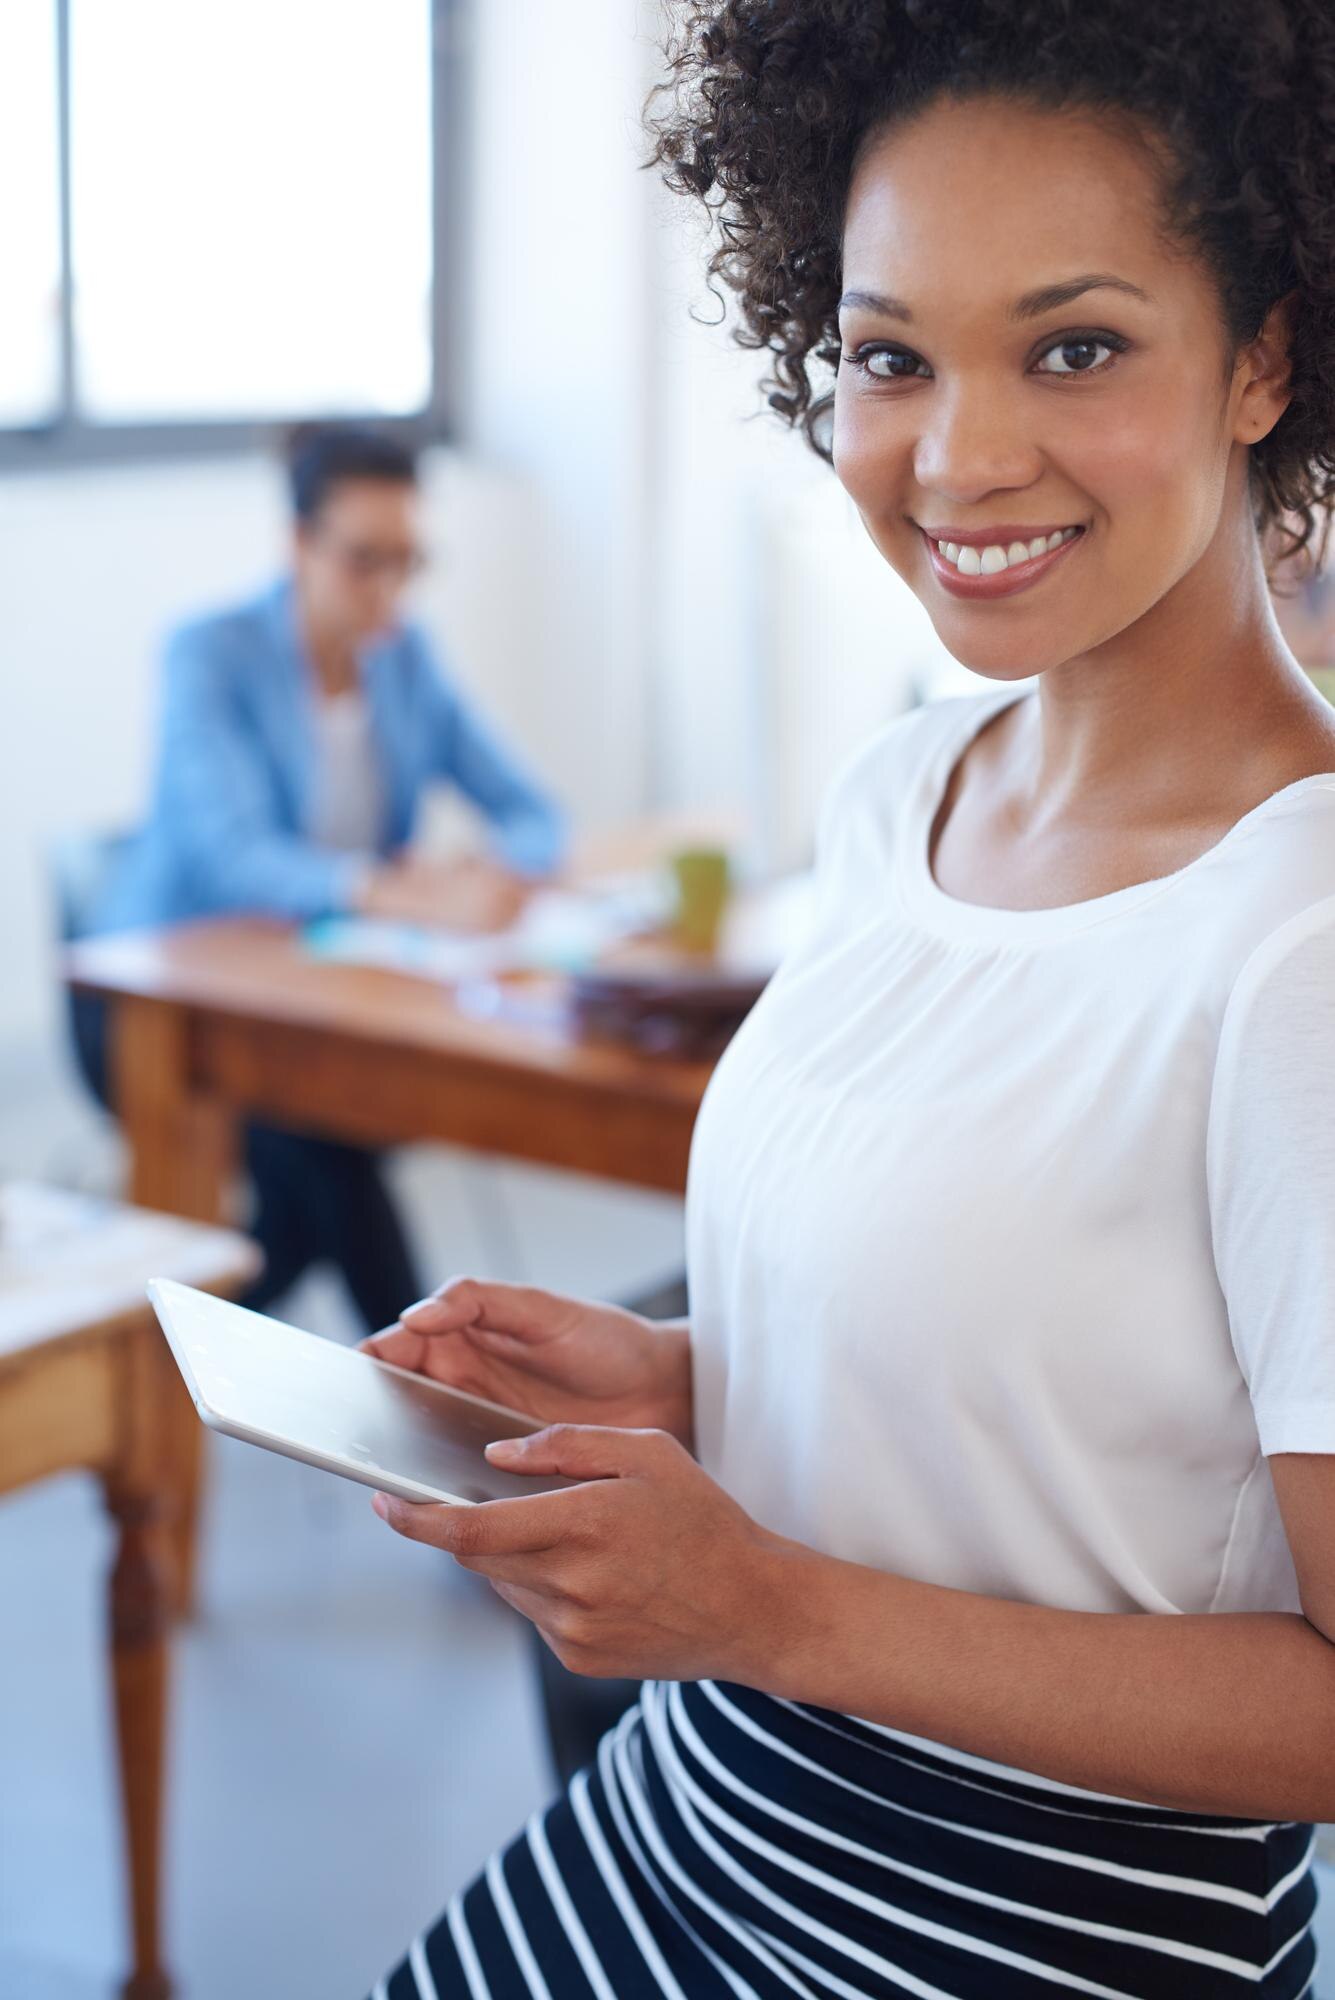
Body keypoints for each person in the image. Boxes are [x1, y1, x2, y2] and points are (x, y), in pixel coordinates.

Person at [366, 3, 1335, 1992]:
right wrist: (699, 1377)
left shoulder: (1297, 939)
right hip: (700, 1799)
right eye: (888, 357)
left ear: (1261, 356)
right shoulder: (907, 794)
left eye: (1072, 345)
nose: (955, 454)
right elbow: (1076, 1373)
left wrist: (768, 1602)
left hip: (1014, 1919)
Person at [92, 425, 566, 1333]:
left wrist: (489, 869)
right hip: (167, 1000)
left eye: (407, 561)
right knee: (330, 1157)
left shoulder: (407, 658)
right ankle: (425, 1395)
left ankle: (175, 1350)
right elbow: (231, 855)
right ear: (298, 543)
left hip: (321, 995)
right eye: (362, 560)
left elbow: (534, 813)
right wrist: (386, 891)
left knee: (312, 1187)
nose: (388, 588)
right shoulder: (210, 653)